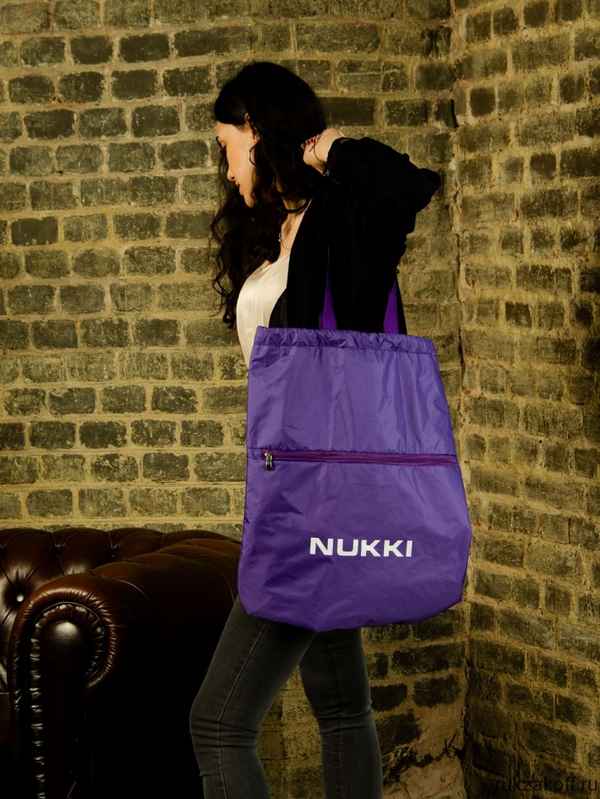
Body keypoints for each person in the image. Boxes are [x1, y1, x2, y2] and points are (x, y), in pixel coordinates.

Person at [189, 60, 442, 799]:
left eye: (227, 147)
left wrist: (330, 149)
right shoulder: (280, 232)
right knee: (341, 708)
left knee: (218, 723)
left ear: (256, 132)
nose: (225, 168)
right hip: (295, 492)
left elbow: (405, 184)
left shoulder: (341, 225)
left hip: (312, 506)